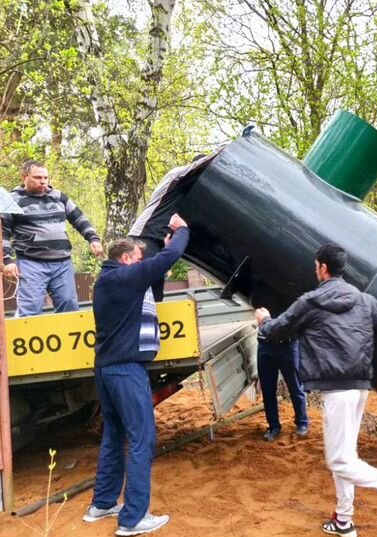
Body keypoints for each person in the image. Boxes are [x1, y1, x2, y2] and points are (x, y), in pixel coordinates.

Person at [254, 244, 377, 537]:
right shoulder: (365, 300)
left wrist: (264, 320)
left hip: (336, 390)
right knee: (345, 456)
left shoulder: (309, 302)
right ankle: (344, 520)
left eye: (316, 265)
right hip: (359, 387)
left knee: (339, 460)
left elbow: (277, 330)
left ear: (322, 268)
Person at [82, 214, 189, 536]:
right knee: (143, 439)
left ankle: (102, 503)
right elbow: (170, 257)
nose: (142, 264)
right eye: (139, 259)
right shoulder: (122, 279)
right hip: (126, 371)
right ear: (127, 259)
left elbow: (157, 268)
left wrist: (159, 255)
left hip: (107, 369)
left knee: (115, 435)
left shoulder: (111, 280)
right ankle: (133, 519)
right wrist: (182, 230)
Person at [2, 159, 104, 316]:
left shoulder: (59, 197)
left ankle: (69, 339)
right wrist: (7, 261)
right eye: (37, 177)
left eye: (45, 177)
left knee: (69, 307)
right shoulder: (12, 201)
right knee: (30, 310)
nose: (43, 181)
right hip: (31, 263)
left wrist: (93, 239)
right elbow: (3, 232)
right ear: (24, 177)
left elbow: (79, 218)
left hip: (62, 263)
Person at [129, 153, 209, 301]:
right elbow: (201, 165)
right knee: (145, 289)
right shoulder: (178, 175)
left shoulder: (186, 194)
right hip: (144, 237)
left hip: (157, 241)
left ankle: (153, 321)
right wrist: (227, 150)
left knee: (156, 293)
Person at [252, 287, 309, 441]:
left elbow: (290, 319)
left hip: (288, 344)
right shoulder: (259, 287)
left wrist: (267, 320)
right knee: (268, 389)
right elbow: (257, 310)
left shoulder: (291, 289)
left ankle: (302, 423)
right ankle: (274, 427)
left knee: (295, 385)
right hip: (265, 344)